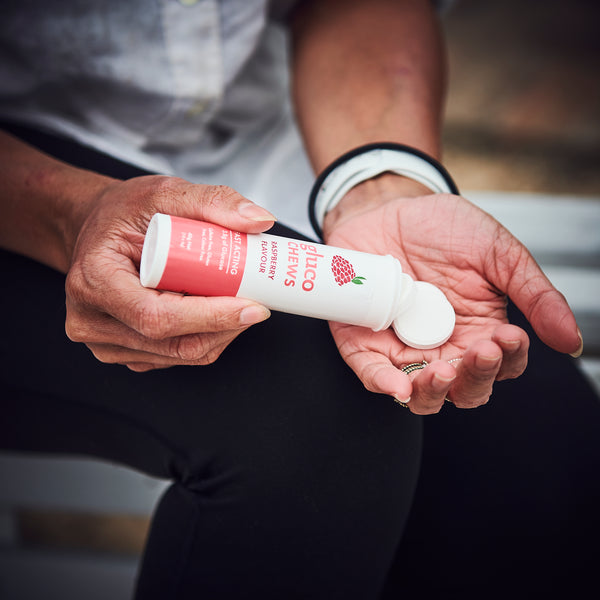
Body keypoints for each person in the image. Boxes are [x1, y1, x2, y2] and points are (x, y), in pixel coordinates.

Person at [0, 1, 598, 598]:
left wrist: (380, 188)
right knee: (316, 413)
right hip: (27, 192)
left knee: (536, 430)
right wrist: (69, 214)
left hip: (272, 141)